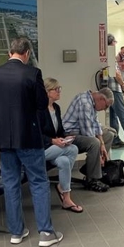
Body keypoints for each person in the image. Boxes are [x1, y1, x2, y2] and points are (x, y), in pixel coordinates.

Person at [0, 37, 63, 247]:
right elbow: (40, 103)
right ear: (26, 53)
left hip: (4, 139)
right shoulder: (32, 73)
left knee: (10, 184)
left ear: (10, 53)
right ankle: (46, 233)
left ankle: (16, 232)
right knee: (38, 182)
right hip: (29, 137)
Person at [39, 78, 83, 213]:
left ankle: (66, 199)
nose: (59, 92)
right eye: (56, 89)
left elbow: (59, 131)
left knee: (64, 161)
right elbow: (35, 134)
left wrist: (65, 138)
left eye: (59, 88)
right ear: (47, 92)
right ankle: (62, 189)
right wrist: (53, 141)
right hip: (41, 149)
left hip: (55, 149)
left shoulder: (56, 108)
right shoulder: (38, 110)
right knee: (73, 149)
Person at [62, 88, 116, 193]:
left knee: (109, 135)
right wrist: (100, 153)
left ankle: (92, 169)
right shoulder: (84, 103)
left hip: (81, 132)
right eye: (106, 106)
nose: (105, 109)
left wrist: (103, 144)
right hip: (70, 135)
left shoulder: (91, 101)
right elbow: (88, 132)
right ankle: (92, 180)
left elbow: (95, 124)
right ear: (101, 99)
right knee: (94, 143)